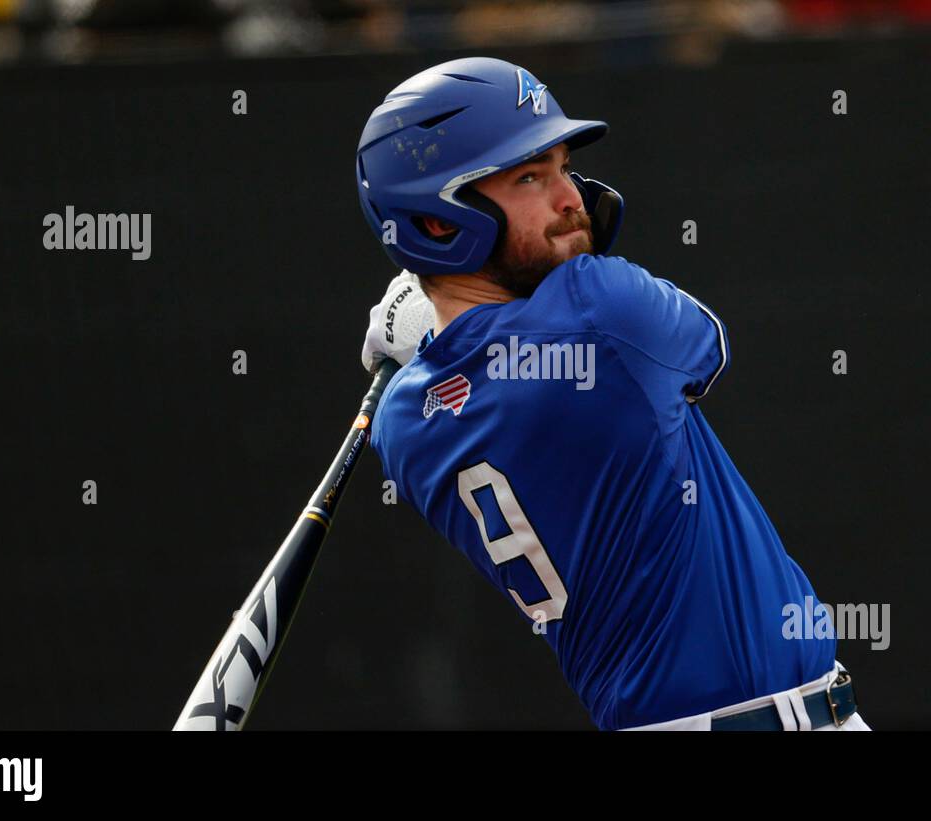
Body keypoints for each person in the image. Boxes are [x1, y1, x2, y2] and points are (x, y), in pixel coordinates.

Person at [355, 57, 868, 731]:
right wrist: (434, 316)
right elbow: (709, 349)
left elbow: (470, 364)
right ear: (441, 222)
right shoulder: (603, 308)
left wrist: (433, 319)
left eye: (563, 166)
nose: (571, 197)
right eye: (530, 177)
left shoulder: (400, 426)